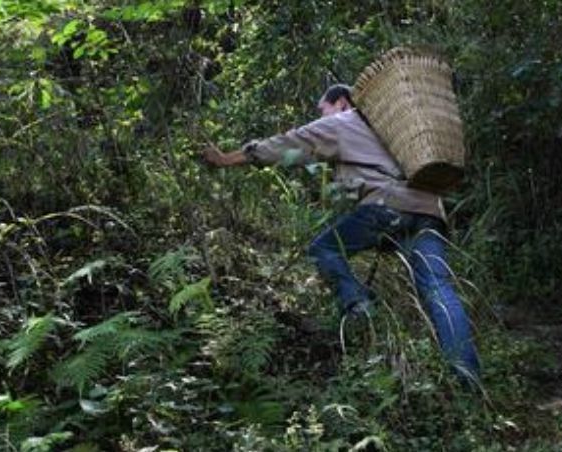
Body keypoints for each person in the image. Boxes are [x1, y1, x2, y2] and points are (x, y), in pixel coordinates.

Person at [202, 84, 480, 384]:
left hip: (387, 207)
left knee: (324, 250)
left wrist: (227, 159)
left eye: (324, 109)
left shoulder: (344, 123)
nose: (321, 116)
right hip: (428, 210)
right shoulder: (395, 128)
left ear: (342, 103)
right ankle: (468, 378)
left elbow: (290, 144)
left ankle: (361, 307)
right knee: (438, 290)